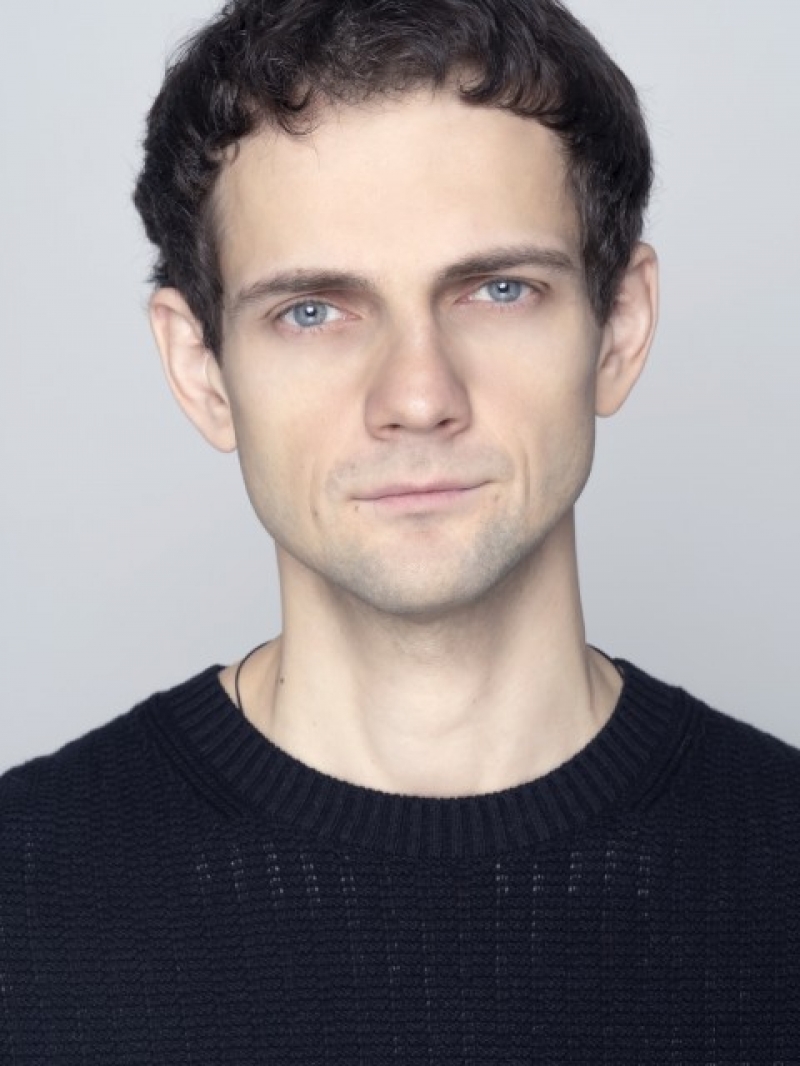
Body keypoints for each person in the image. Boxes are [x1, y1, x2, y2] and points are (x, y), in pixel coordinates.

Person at [1, 0, 798, 1060]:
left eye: (499, 290)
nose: (417, 397)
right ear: (202, 373)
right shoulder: (21, 893)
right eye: (311, 311)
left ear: (619, 328)